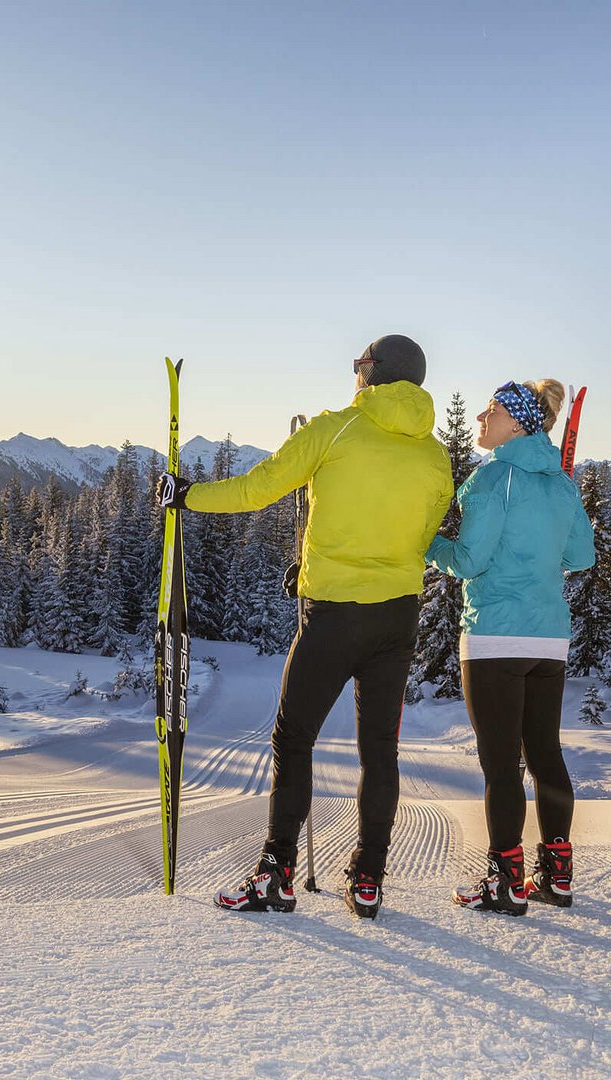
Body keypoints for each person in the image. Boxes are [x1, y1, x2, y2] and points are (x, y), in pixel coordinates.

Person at [160, 334, 451, 919]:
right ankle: (367, 878)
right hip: (397, 615)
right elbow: (416, 533)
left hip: (336, 613)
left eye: (361, 364)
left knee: (293, 739)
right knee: (380, 751)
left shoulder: (336, 427)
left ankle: (276, 874)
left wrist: (187, 496)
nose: (356, 373)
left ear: (375, 372)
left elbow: (256, 488)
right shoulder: (435, 454)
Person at [425, 379, 595, 915]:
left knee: (502, 766)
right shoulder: (560, 483)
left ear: (518, 423)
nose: (481, 415)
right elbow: (582, 555)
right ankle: (557, 877)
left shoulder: (492, 476)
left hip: (496, 633)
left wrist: (425, 542)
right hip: (548, 639)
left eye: (493, 409)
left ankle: (504, 881)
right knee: (545, 754)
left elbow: (470, 561)